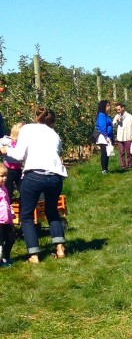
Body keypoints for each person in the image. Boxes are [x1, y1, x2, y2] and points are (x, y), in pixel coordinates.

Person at [1, 106, 67, 263]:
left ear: (36, 117)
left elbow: (18, 155)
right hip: (56, 176)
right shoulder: (55, 135)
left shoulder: (27, 129)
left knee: (26, 215)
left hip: (34, 175)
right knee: (52, 211)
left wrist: (6, 150)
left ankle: (34, 255)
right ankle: (60, 248)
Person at [113, 103, 132, 171]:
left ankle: (130, 164)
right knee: (121, 152)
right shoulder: (116, 116)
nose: (118, 111)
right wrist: (117, 121)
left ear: (123, 108)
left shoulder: (129, 116)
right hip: (120, 137)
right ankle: (123, 165)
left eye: (119, 109)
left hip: (128, 136)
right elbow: (113, 125)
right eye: (117, 110)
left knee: (129, 152)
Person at [0, 162, 14, 267]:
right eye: (1, 176)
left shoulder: (4, 189)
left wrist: (11, 214)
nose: (4, 178)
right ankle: (1, 261)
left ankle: (6, 257)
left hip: (7, 220)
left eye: (5, 176)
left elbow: (8, 203)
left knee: (10, 239)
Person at [94, 99, 113, 174]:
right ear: (104, 107)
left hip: (106, 136)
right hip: (103, 137)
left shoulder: (105, 115)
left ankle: (106, 168)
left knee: (107, 153)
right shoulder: (101, 115)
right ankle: (104, 169)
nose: (109, 107)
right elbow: (102, 127)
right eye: (108, 105)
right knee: (104, 153)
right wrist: (106, 136)